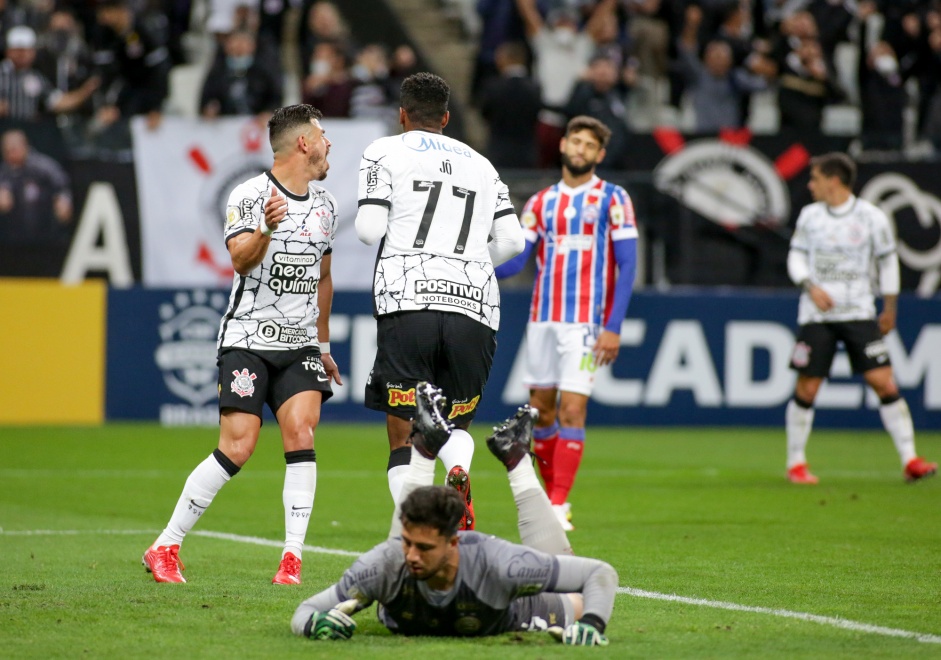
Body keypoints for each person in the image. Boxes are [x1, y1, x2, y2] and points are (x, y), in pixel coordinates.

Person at [142, 104, 342, 584]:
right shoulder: (250, 194)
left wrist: (323, 342)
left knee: (302, 435)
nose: (328, 142)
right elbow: (240, 260)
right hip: (248, 338)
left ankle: (291, 560)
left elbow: (324, 277)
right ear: (302, 143)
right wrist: (268, 230)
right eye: (322, 134)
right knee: (238, 446)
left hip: (299, 345)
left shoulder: (327, 206)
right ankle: (165, 545)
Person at [291, 382, 617, 645]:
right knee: (394, 554)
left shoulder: (501, 564)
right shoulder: (386, 563)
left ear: (454, 541)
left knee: (577, 601)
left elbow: (600, 574)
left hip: (509, 612)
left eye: (425, 548)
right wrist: (314, 625)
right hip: (419, 594)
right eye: (408, 543)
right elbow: (304, 612)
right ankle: (424, 448)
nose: (412, 555)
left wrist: (592, 624)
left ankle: (516, 460)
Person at [354, 72, 525, 531]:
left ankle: (415, 528)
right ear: (447, 118)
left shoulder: (383, 150)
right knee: (451, 423)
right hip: (475, 306)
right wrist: (469, 262)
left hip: (409, 299)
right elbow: (513, 241)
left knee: (404, 428)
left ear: (402, 115)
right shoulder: (483, 165)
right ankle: (459, 472)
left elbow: (369, 229)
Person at [495, 115, 638, 531]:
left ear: (600, 154)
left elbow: (626, 265)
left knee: (573, 410)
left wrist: (613, 326)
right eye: (575, 142)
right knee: (541, 412)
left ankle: (559, 503)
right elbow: (520, 259)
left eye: (589, 146)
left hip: (586, 324)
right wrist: (478, 263)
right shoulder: (540, 203)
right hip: (543, 321)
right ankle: (554, 500)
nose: (580, 150)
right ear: (562, 146)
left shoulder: (614, 199)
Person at [785, 152, 937, 485]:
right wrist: (810, 286)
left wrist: (890, 307)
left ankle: (910, 459)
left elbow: (887, 263)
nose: (810, 185)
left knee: (884, 381)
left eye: (815, 179)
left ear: (833, 180)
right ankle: (796, 463)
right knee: (808, 386)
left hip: (859, 312)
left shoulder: (872, 217)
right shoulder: (810, 217)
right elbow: (795, 257)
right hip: (818, 315)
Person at [0, 129, 73, 244]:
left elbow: (62, 185)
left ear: (24, 146)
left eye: (13, 149)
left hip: (46, 231)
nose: (10, 154)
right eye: (6, 150)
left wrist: (63, 200)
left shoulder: (44, 167)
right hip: (14, 238)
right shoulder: (4, 172)